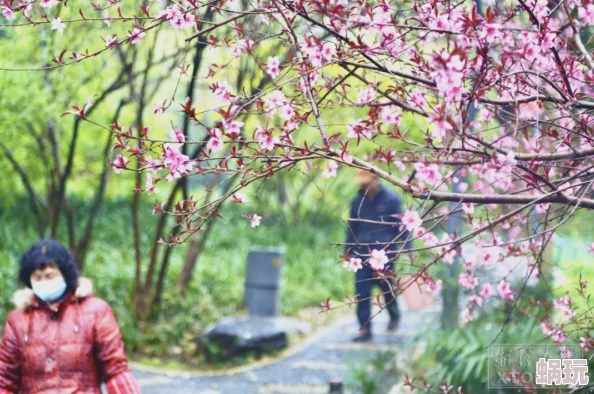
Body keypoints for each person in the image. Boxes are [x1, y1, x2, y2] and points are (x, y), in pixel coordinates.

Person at [0, 239, 142, 394]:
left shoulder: (95, 311)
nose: (44, 282)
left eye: (50, 276)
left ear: (65, 274)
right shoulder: (18, 320)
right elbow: (5, 380)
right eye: (37, 278)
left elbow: (115, 370)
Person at [345, 169, 410, 342]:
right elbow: (352, 227)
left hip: (385, 254)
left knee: (387, 288)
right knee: (362, 291)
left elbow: (403, 226)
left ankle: (394, 315)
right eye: (362, 185)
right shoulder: (357, 201)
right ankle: (365, 328)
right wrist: (348, 251)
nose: (365, 188)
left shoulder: (391, 199)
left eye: (367, 184)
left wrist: (405, 248)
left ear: (376, 180)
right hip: (362, 254)